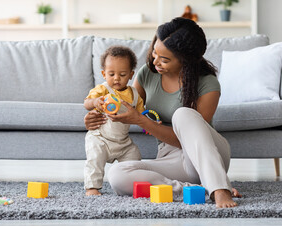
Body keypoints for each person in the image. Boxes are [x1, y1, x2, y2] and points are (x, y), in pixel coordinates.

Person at [84, 17, 242, 207]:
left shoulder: (208, 83)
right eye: (154, 53)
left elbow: (188, 139)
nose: (155, 61)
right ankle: (194, 190)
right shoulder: (146, 74)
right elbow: (126, 105)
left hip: (204, 155)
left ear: (186, 61)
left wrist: (141, 121)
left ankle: (219, 188)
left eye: (164, 59)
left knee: (183, 114)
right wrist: (98, 117)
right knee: (117, 175)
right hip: (169, 159)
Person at [83, 45, 145, 196]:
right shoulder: (103, 90)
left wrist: (149, 125)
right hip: (100, 138)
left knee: (134, 155)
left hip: (123, 142)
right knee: (95, 158)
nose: (116, 78)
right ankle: (92, 187)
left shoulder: (135, 95)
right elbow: (86, 103)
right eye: (111, 74)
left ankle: (133, 184)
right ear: (104, 74)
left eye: (122, 74)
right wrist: (95, 102)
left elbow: (142, 115)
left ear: (131, 75)